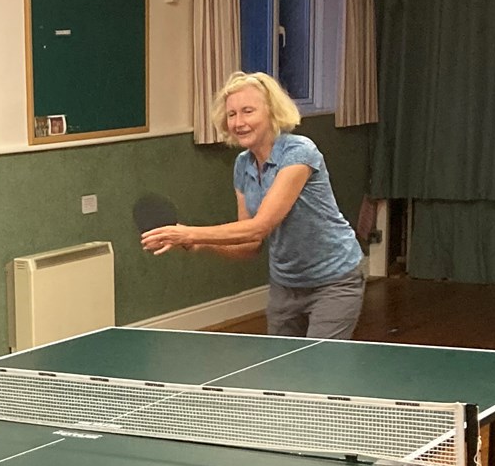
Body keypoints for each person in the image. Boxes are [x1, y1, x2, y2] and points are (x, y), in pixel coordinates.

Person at [141, 71, 367, 339]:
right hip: (286, 285)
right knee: (279, 373)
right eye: (232, 114)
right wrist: (198, 243)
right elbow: (249, 245)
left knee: (320, 371)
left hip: (335, 280)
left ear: (271, 112)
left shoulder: (299, 153)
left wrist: (189, 232)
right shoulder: (243, 165)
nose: (239, 122)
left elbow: (259, 228)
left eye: (248, 111)